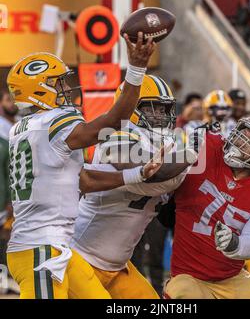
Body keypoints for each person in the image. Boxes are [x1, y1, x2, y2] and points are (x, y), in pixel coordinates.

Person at [6, 33, 157, 299]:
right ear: (38, 89)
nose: (66, 88)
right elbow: (115, 120)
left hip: (55, 248)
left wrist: (138, 174)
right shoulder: (53, 123)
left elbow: (83, 180)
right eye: (57, 83)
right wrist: (136, 69)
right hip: (40, 250)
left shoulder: (23, 128)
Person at [71, 75, 195, 299]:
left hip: (118, 265)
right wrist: (194, 154)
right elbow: (151, 172)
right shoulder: (117, 133)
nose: (161, 116)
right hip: (81, 257)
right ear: (131, 107)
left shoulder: (168, 144)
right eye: (152, 108)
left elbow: (170, 209)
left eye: (164, 109)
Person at [164, 114, 250, 299]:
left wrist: (235, 243)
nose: (241, 141)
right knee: (183, 295)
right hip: (188, 276)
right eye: (243, 133)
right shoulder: (207, 146)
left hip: (231, 278)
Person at [0, 90, 17, 294]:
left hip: (11, 195)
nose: (12, 102)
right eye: (7, 99)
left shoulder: (22, 123)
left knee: (7, 238)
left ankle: (5, 279)